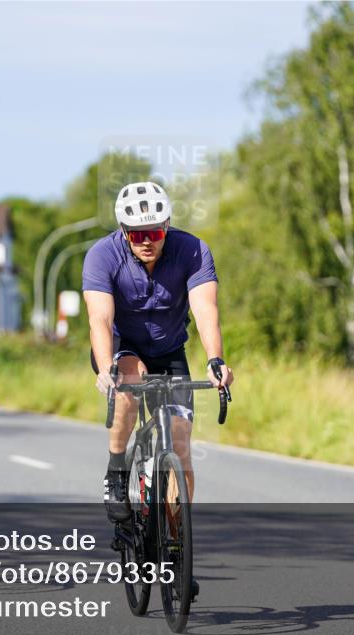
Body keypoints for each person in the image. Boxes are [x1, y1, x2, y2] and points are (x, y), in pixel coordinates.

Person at [82, 182, 235, 597]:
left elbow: (205, 308)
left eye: (155, 231)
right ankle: (116, 471)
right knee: (129, 383)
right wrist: (106, 367)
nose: (147, 241)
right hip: (122, 348)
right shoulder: (102, 255)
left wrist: (215, 359)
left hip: (170, 351)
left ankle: (175, 546)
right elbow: (99, 318)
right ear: (123, 231)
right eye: (137, 234)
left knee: (180, 447)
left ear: (167, 225)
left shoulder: (193, 250)